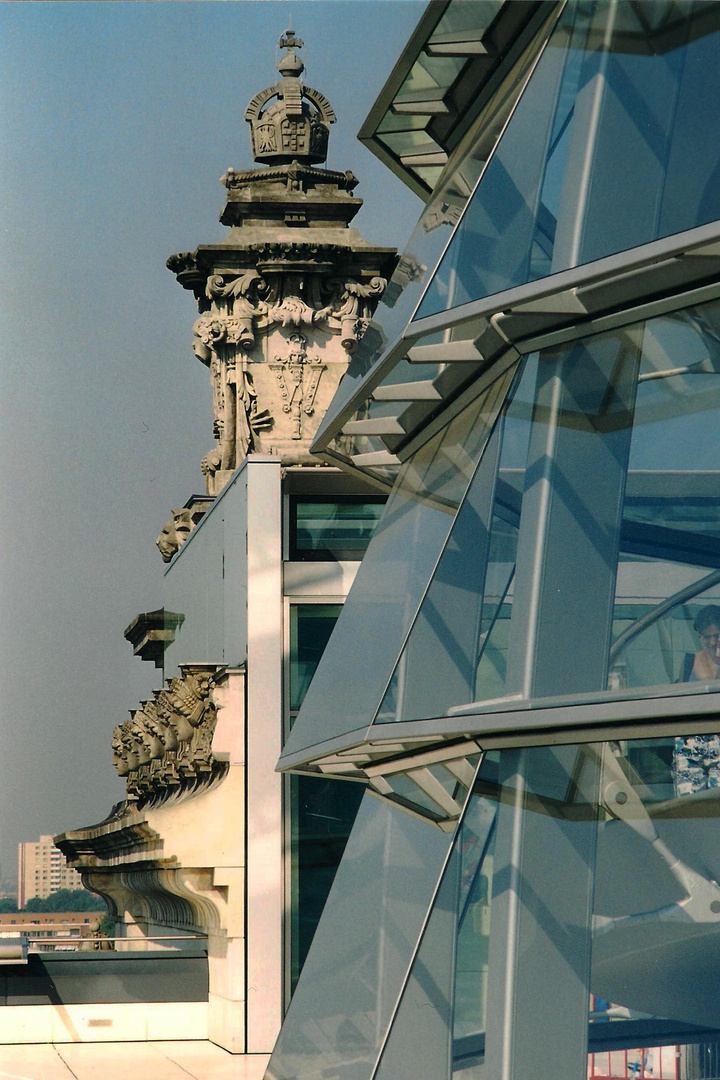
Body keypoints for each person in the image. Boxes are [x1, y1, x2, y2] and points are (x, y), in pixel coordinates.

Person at [674, 605, 720, 795]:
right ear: (699, 636)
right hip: (691, 741)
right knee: (690, 803)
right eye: (706, 637)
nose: (712, 642)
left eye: (717, 636)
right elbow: (677, 699)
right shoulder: (689, 662)